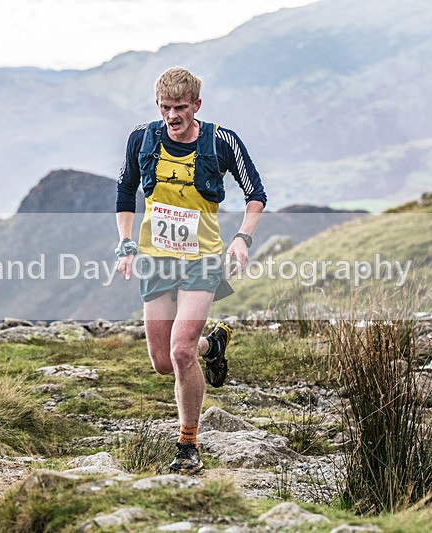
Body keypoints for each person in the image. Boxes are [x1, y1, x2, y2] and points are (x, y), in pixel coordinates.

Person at [115, 67, 267, 474]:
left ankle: (188, 445)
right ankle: (211, 347)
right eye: (165, 108)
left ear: (196, 105)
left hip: (202, 259)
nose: (172, 116)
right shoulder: (142, 138)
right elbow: (125, 190)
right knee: (163, 361)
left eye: (180, 108)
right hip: (156, 258)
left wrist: (242, 238)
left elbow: (256, 194)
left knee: (181, 350)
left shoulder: (221, 140)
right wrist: (126, 243)